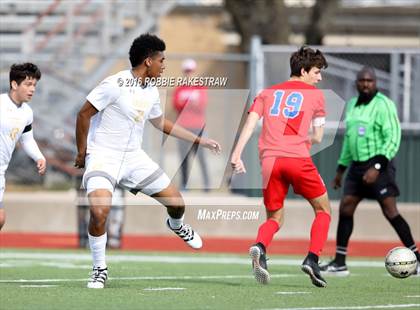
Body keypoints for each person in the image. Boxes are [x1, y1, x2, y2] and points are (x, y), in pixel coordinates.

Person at [74, 33, 221, 289]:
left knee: (176, 203)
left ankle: (176, 225)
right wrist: (81, 151)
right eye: (162, 60)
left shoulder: (151, 90)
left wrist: (200, 140)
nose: (165, 66)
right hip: (103, 156)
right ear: (148, 61)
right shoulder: (114, 83)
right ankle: (99, 269)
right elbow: (84, 113)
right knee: (99, 211)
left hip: (134, 157)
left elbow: (161, 123)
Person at [231, 46, 330, 288]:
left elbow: (250, 124)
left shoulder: (266, 93)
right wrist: (302, 138)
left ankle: (260, 247)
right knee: (323, 210)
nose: (319, 77)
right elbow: (317, 136)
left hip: (269, 161)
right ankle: (313, 258)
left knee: (275, 217)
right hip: (297, 159)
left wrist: (236, 154)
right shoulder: (316, 95)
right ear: (304, 70)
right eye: (317, 72)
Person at [320, 66, 420, 275]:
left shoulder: (384, 104)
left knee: (390, 211)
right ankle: (339, 262)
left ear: (375, 83)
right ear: (356, 83)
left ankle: (417, 258)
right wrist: (340, 169)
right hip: (356, 167)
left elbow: (393, 136)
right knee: (346, 207)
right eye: (362, 80)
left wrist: (377, 166)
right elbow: (349, 140)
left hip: (379, 165)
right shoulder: (352, 106)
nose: (366, 84)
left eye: (370, 81)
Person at [0, 63, 47, 230]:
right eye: (28, 84)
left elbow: (27, 140)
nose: (32, 89)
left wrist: (39, 157)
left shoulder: (27, 112)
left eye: (34, 85)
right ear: (14, 84)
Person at [172, 59, 210, 191]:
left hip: (198, 127)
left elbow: (201, 105)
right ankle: (184, 185)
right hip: (182, 127)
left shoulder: (200, 87)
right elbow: (176, 105)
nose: (189, 74)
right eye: (187, 71)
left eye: (191, 71)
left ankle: (207, 184)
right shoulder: (179, 88)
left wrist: (186, 102)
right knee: (184, 158)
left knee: (201, 157)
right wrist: (190, 102)